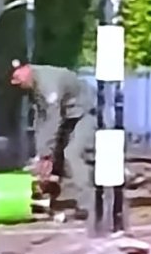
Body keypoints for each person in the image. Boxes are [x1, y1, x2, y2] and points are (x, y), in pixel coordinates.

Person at [10, 61, 96, 210]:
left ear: (26, 68)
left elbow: (53, 119)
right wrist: (41, 153)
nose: (15, 82)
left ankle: (90, 204)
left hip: (84, 113)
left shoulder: (48, 83)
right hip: (67, 116)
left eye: (17, 77)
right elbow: (40, 119)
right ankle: (50, 200)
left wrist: (46, 154)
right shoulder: (33, 86)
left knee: (71, 154)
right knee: (55, 159)